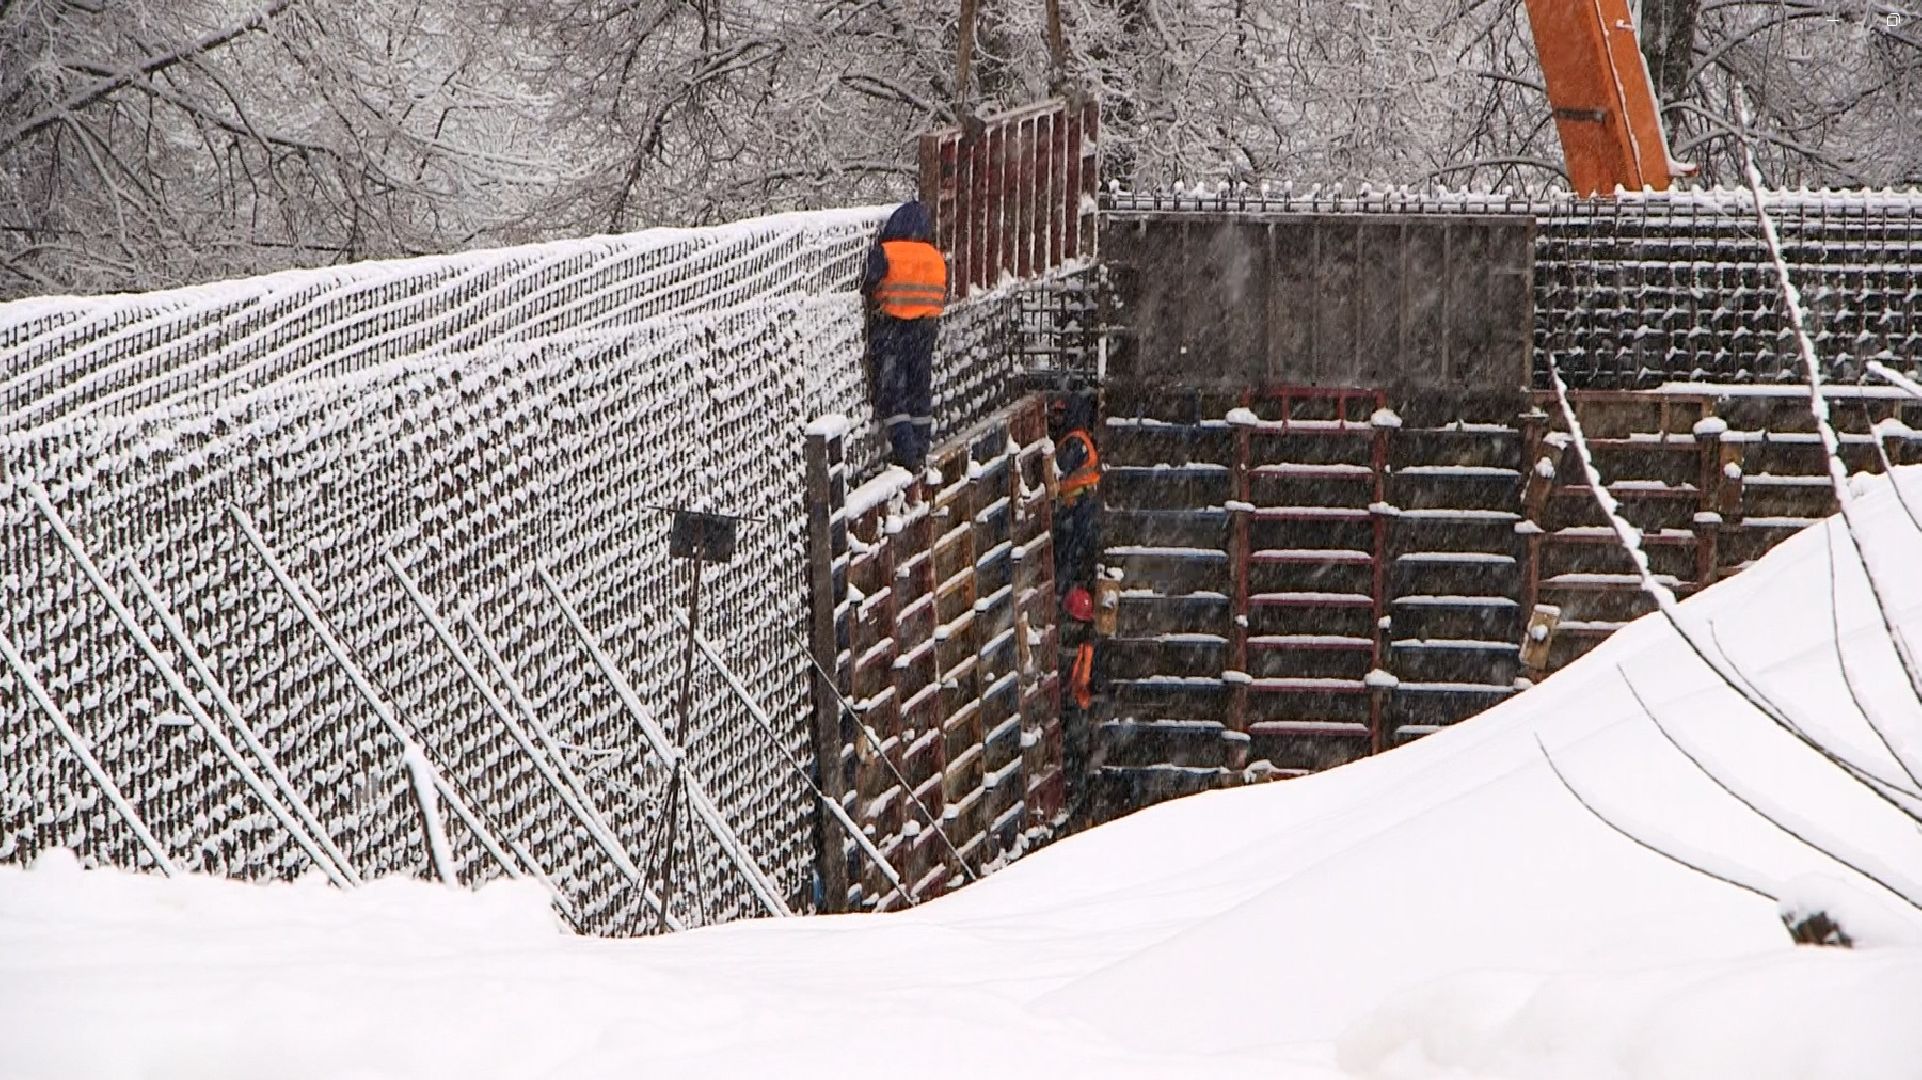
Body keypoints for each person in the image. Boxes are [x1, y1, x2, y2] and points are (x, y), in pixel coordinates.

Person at [860, 200, 947, 472]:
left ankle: (906, 454)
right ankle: (921, 447)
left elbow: (867, 285)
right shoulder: (935, 257)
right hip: (924, 330)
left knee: (892, 393)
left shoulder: (885, 252)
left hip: (891, 329)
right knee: (919, 389)